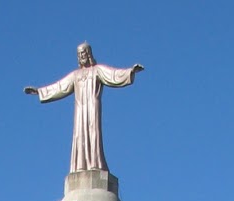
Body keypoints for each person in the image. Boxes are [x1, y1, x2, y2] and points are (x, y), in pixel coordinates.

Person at [24, 43, 145, 175]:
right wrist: (40, 91)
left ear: (89, 54)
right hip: (80, 109)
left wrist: (130, 72)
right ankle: (80, 165)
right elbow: (59, 86)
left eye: (83, 53)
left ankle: (95, 163)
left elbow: (113, 75)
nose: (81, 56)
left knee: (93, 132)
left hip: (93, 106)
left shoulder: (97, 70)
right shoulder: (75, 75)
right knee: (79, 135)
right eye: (79, 54)